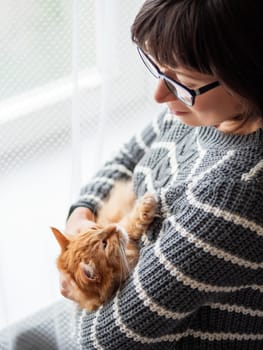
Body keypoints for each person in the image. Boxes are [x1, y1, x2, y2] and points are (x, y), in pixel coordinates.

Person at [1, 0, 263, 349]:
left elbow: (101, 341)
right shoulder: (200, 110)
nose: (159, 94)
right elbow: (125, 160)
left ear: (246, 74)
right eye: (157, 68)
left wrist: (85, 292)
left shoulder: (231, 197)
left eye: (181, 81)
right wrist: (81, 214)